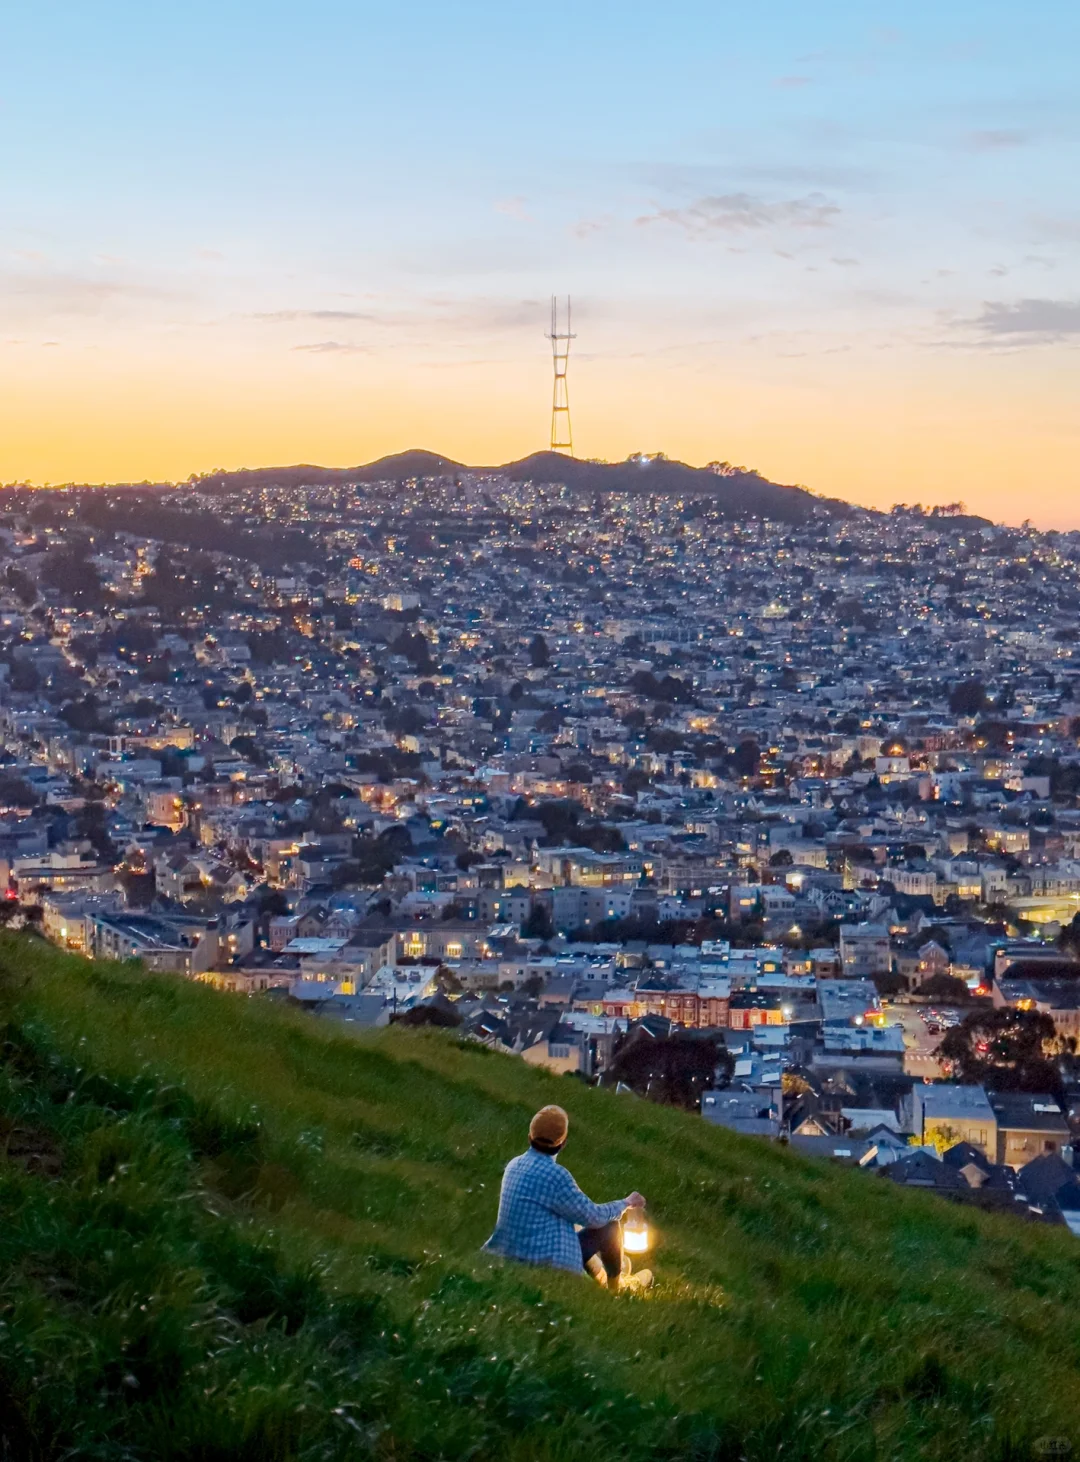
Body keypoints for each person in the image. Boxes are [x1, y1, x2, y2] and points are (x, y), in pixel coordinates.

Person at [483, 1104, 652, 1292]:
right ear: (563, 1143)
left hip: (509, 1251)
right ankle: (616, 1290)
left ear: (529, 1137)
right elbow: (593, 1217)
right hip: (544, 1260)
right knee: (609, 1228)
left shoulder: (513, 1165)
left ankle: (602, 1276)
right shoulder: (556, 1176)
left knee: (577, 1228)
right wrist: (626, 1203)